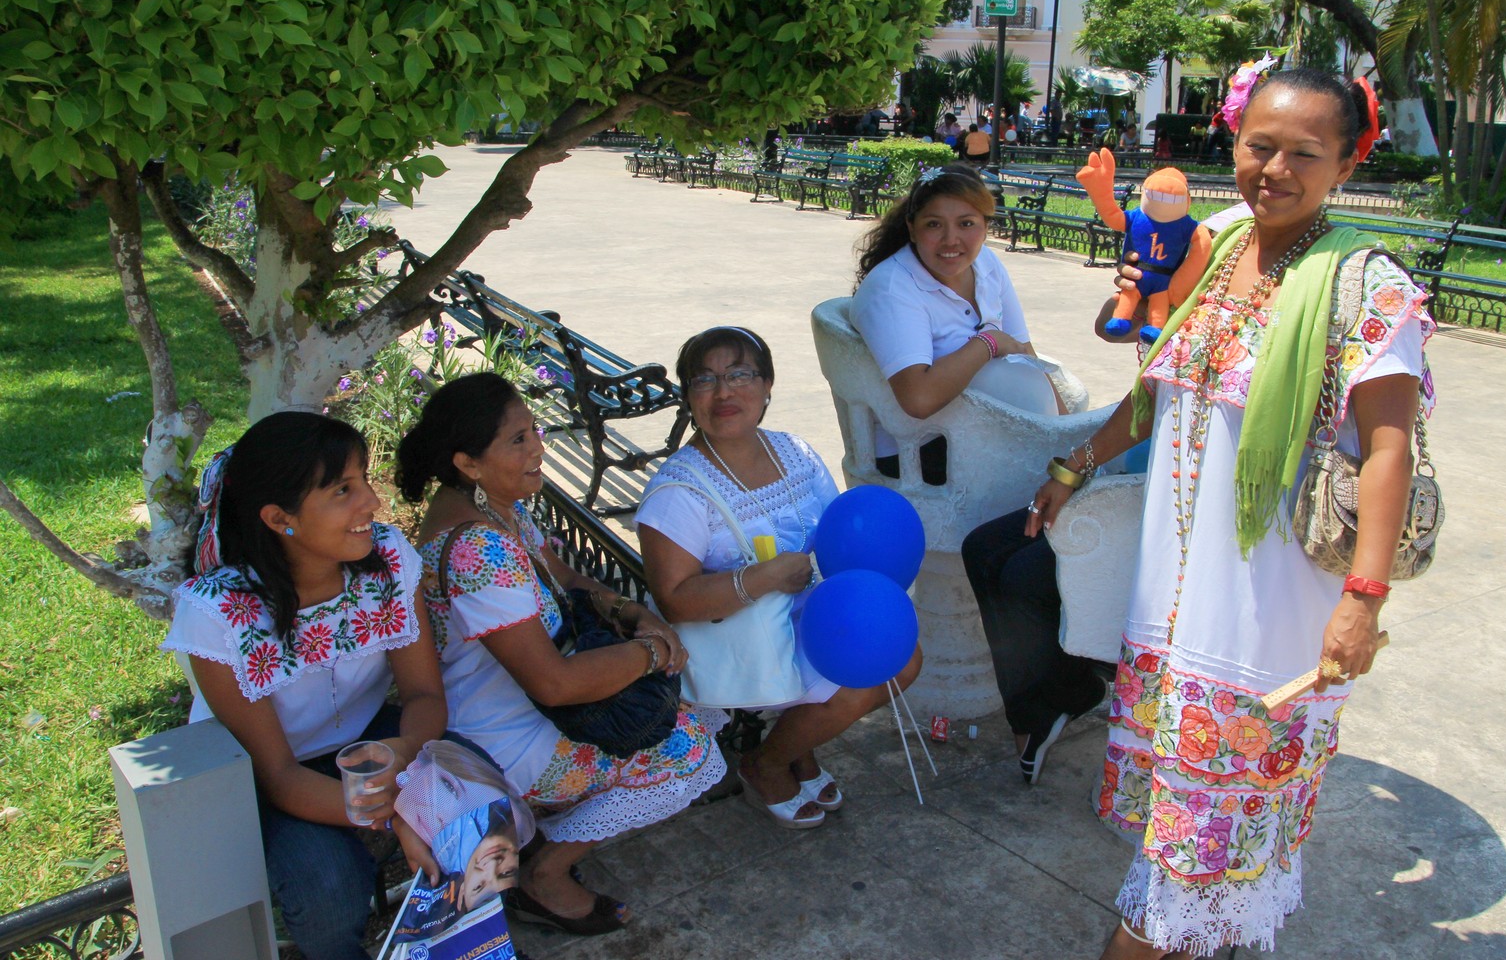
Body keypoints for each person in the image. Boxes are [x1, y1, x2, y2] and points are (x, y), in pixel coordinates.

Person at [1017, 67, 1434, 958]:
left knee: (1198, 846)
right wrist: (1074, 464)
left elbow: (1389, 447)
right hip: (1176, 591)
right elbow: (1156, 382)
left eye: (1303, 154)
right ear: (1234, 142)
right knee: (1191, 826)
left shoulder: (1369, 286)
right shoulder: (1215, 240)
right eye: (1259, 146)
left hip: (1265, 606)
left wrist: (1364, 599)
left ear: (1349, 162)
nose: (1274, 169)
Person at [398, 373, 727, 936]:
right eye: (517, 441)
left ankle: (565, 819)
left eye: (535, 431)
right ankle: (545, 871)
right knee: (691, 753)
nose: (539, 449)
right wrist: (649, 653)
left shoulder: (494, 509)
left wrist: (630, 613)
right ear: (468, 463)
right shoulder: (476, 548)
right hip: (503, 733)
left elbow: (565, 576)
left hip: (524, 703)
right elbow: (553, 684)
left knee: (696, 697)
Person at [161, 413, 448, 960]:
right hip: (275, 772)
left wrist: (406, 758)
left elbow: (424, 697)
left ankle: (464, 940)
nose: (372, 503)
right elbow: (278, 775)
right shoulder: (219, 613)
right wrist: (402, 812)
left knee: (473, 801)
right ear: (279, 517)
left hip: (373, 744)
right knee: (328, 887)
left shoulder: (387, 559)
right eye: (344, 490)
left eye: (364, 479)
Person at [637, 326, 924, 829]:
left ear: (768, 386)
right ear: (688, 398)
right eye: (705, 380)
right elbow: (676, 600)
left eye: (740, 374)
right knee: (859, 681)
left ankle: (797, 744)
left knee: (902, 657)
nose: (724, 392)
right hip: (734, 637)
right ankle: (767, 763)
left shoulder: (794, 453)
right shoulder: (679, 493)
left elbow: (840, 534)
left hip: (804, 615)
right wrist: (764, 576)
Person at [850, 164, 1058, 485]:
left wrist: (1065, 430)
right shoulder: (893, 288)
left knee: (1078, 460)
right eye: (934, 224)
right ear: (912, 227)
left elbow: (1025, 353)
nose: (951, 240)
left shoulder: (986, 262)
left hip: (984, 426)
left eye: (967, 224)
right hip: (918, 448)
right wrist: (988, 343)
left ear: (986, 226)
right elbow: (918, 400)